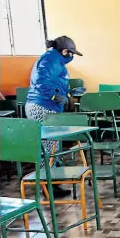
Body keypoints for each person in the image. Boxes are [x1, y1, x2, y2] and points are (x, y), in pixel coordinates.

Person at [25, 36, 83, 198]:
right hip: (42, 107)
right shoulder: (50, 60)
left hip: (46, 106)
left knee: (52, 147)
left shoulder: (54, 60)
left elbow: (55, 82)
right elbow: (40, 81)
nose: (71, 57)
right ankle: (46, 186)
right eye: (71, 54)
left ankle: (52, 184)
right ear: (65, 51)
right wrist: (54, 96)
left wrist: (69, 92)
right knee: (47, 148)